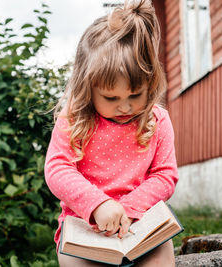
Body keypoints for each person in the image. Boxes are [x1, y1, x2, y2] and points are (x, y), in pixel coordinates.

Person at [44, 0, 179, 266]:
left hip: (142, 226)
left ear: (150, 84)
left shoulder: (157, 120)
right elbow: (58, 168)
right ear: (88, 88)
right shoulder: (74, 120)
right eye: (111, 97)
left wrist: (129, 209)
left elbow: (165, 175)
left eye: (135, 94)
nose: (126, 106)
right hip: (85, 229)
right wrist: (97, 205)